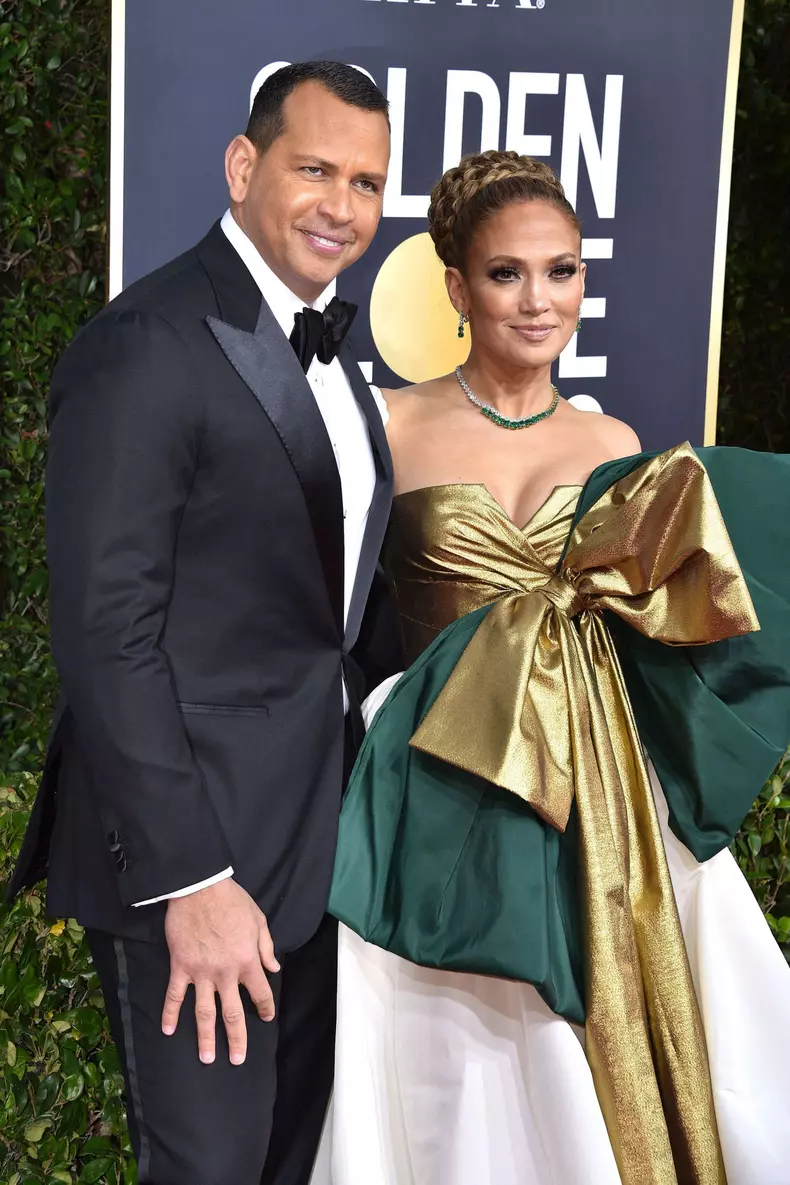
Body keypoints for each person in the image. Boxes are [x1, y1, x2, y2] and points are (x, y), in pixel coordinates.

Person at [322, 151, 790, 1185]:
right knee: (471, 1053)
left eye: (563, 270)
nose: (540, 300)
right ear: (455, 286)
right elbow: (329, 624)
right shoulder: (385, 427)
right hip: (444, 767)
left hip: (598, 781)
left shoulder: (614, 439)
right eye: (506, 274)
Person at [6, 62, 401, 1185]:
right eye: (314, 169)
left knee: (287, 1164)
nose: (342, 206)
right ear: (243, 166)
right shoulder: (146, 344)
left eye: (366, 182)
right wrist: (191, 881)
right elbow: (105, 633)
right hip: (200, 862)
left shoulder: (334, 350)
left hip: (318, 853)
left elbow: (336, 616)